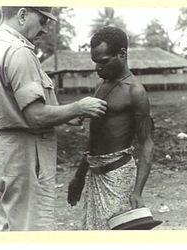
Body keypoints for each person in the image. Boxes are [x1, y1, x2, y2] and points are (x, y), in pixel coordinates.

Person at [0, 6, 107, 231]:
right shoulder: (19, 52)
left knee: (8, 229)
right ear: (22, 14)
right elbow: (36, 116)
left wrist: (63, 116)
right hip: (21, 154)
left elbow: (14, 106)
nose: (45, 29)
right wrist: (78, 107)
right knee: (31, 232)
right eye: (43, 20)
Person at [67, 26, 154, 230]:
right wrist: (79, 176)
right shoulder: (102, 85)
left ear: (122, 54)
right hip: (95, 175)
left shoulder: (135, 92)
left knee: (116, 235)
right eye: (95, 62)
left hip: (118, 178)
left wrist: (138, 191)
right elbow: (95, 137)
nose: (98, 68)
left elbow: (147, 144)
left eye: (103, 61)